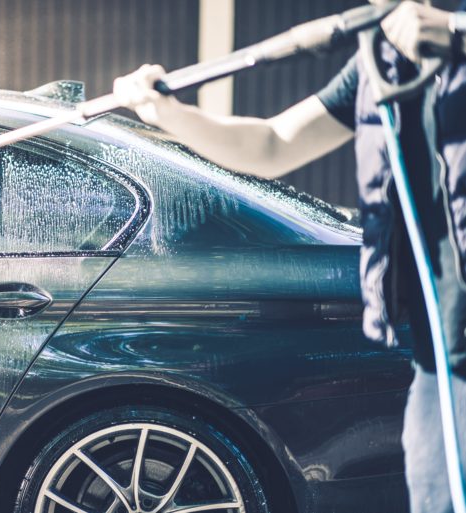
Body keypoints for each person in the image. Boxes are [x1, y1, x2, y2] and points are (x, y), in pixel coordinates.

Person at [114, 1, 466, 512]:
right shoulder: (379, 57)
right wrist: (165, 112)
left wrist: (457, 31)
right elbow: (272, 143)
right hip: (444, 357)